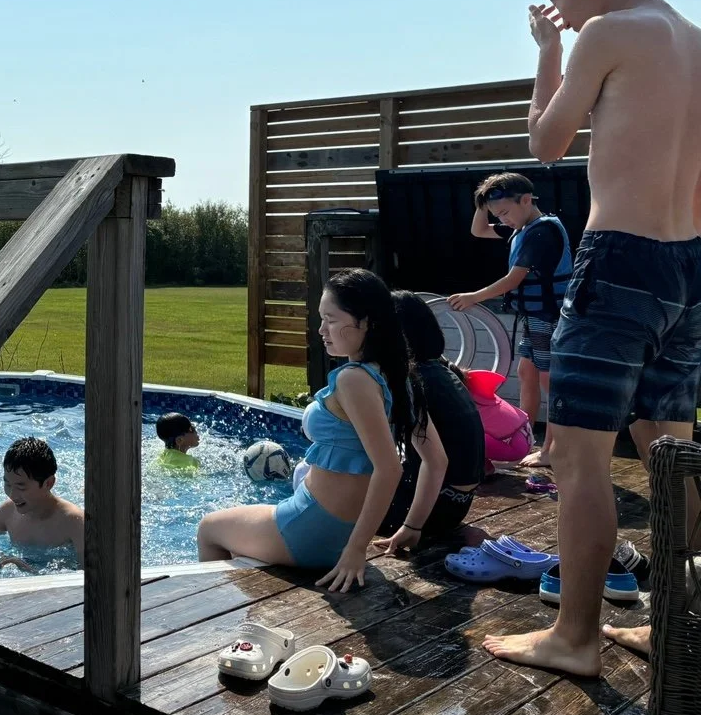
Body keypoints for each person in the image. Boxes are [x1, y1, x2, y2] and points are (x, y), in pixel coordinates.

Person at [482, 0, 701, 673]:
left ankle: (574, 637)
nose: (568, 22)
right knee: (673, 456)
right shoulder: (696, 42)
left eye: (562, 6)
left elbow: (545, 144)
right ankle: (675, 626)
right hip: (689, 267)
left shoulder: (610, 31)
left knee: (577, 457)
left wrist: (546, 53)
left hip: (620, 262)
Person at [196, 269, 410, 593]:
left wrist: (356, 549)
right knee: (242, 542)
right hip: (331, 528)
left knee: (208, 529)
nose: (321, 330)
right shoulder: (388, 373)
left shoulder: (353, 379)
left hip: (310, 529)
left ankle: (215, 614)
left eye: (331, 319)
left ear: (365, 322)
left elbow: (389, 468)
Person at [448, 172, 572, 467]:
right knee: (526, 372)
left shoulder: (542, 232)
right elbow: (479, 230)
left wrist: (474, 297)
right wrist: (483, 202)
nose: (502, 220)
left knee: (550, 382)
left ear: (526, 200)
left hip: (549, 316)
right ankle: (524, 435)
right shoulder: (521, 227)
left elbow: (513, 280)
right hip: (533, 317)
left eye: (505, 212)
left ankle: (552, 449)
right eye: (497, 215)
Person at [374, 292, 486, 554]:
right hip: (456, 505)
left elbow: (436, 463)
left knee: (315, 479)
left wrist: (412, 526)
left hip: (428, 512)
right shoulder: (443, 371)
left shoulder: (411, 382)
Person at [0, 437, 85, 561]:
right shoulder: (8, 511)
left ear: (48, 483)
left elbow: (87, 570)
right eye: (8, 484)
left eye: (21, 487)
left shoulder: (75, 523)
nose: (12, 495)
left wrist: (28, 570)